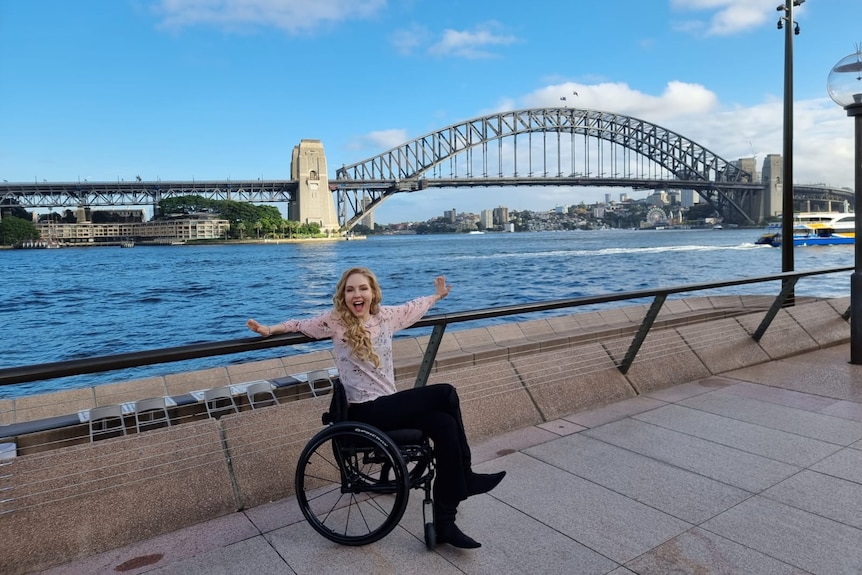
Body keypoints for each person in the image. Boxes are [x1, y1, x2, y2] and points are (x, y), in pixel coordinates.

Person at [247, 266, 505, 549]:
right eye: (350, 289)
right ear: (343, 296)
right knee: (446, 393)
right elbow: (299, 324)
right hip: (364, 412)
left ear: (372, 293)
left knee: (444, 424)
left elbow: (413, 307)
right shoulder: (335, 322)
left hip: (388, 405)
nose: (357, 294)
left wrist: (437, 296)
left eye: (362, 288)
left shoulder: (386, 317)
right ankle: (465, 476)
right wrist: (269, 329)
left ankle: (445, 522)